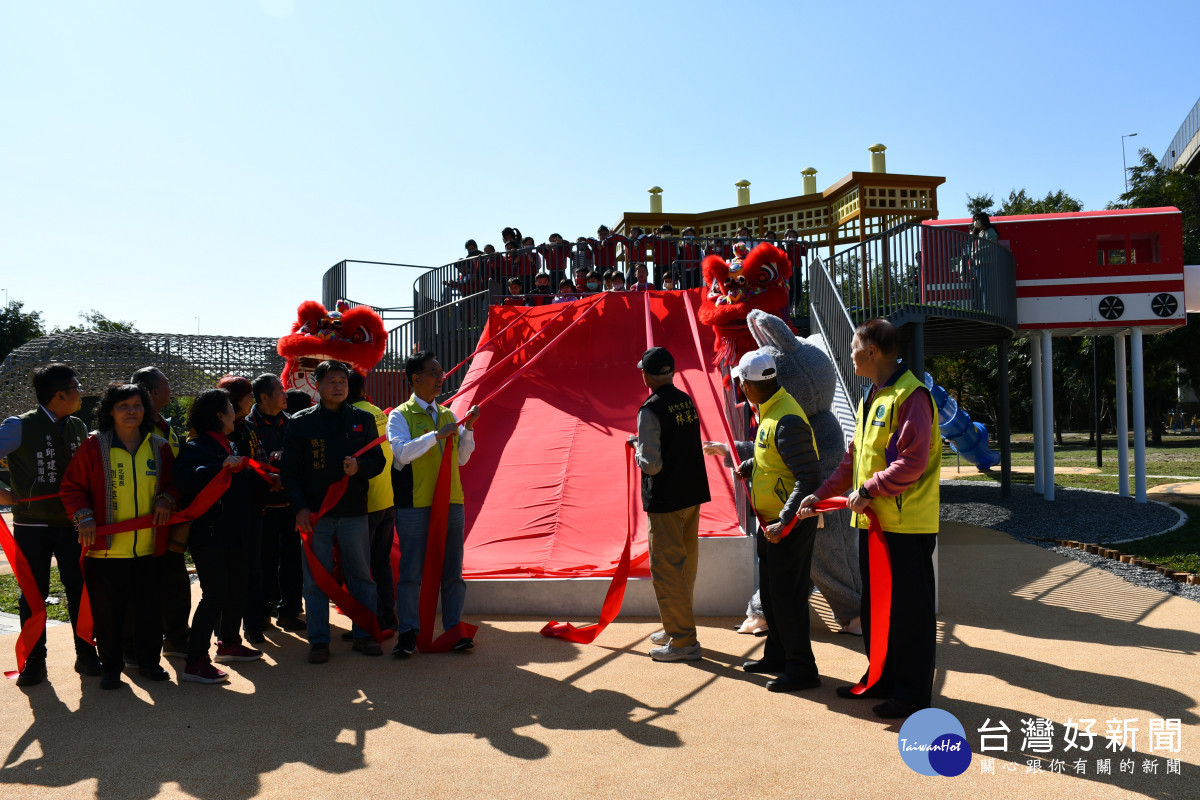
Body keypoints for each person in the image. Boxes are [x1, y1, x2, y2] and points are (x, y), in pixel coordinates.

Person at [799, 318, 941, 719]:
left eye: (854, 347)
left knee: (910, 613)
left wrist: (869, 490)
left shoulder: (911, 396)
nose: (850, 354)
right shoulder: (872, 397)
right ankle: (881, 677)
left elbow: (911, 463)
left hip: (905, 526)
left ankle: (911, 694)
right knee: (879, 608)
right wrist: (822, 493)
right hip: (876, 524)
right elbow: (852, 461)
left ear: (873, 352)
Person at [703, 350, 823, 692]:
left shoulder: (786, 418)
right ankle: (778, 655)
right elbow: (774, 459)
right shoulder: (772, 411)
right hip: (772, 522)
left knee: (788, 597)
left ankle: (802, 669)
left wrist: (784, 521)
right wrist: (751, 466)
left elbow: (809, 476)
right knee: (772, 595)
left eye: (740, 383)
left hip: (787, 525)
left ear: (746, 384)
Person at [60, 383, 178, 690]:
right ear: (109, 411)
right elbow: (71, 488)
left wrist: (166, 497)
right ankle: (111, 667)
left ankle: (150, 663)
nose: (132, 411)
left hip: (149, 548)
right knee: (108, 613)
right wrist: (83, 516)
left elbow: (172, 484)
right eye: (123, 406)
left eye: (138, 405)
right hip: (106, 551)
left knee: (150, 610)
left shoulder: (158, 446)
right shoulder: (93, 445)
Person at [0, 364, 101, 685]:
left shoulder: (78, 426)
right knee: (33, 593)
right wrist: (2, 492)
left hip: (75, 524)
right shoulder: (18, 426)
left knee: (80, 590)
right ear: (60, 394)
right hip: (33, 526)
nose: (81, 390)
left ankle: (86, 655)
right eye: (76, 386)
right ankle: (34, 662)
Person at [279, 360, 386, 663]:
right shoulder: (300, 422)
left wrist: (360, 467)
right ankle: (319, 640)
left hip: (353, 511)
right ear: (318, 385)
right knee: (315, 580)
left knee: (361, 577)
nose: (338, 386)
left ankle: (364, 634)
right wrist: (299, 508)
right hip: (315, 514)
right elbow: (290, 471)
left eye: (343, 381)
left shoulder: (362, 419)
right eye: (332, 381)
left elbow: (378, 461)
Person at [386, 351, 480, 658]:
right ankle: (408, 634)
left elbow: (463, 458)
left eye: (441, 373)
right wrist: (435, 435)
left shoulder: (449, 414)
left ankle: (454, 630)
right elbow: (401, 453)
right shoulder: (400, 415)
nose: (441, 378)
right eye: (434, 373)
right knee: (412, 572)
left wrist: (470, 429)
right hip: (414, 503)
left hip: (451, 500)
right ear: (416, 378)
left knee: (453, 571)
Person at [627, 347, 710, 663]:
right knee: (685, 565)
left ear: (647, 376)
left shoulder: (651, 408)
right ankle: (675, 626)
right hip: (691, 494)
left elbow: (651, 464)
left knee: (666, 569)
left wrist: (636, 449)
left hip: (666, 500)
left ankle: (684, 640)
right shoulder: (685, 400)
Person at [173, 389, 262, 684]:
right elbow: (186, 479)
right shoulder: (196, 445)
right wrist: (218, 467)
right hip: (209, 533)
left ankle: (229, 642)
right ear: (218, 416)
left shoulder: (230, 441)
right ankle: (195, 660)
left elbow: (240, 479)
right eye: (230, 409)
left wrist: (266, 479)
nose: (235, 414)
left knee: (237, 586)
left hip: (236, 529)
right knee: (214, 594)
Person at [130, 367, 190, 661]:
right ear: (154, 393)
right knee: (142, 586)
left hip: (170, 519)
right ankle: (137, 647)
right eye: (167, 383)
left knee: (175, 581)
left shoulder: (166, 426)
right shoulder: (134, 430)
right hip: (139, 523)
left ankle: (177, 638)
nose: (171, 386)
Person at [243, 373, 305, 632]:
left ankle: (289, 611)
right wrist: (267, 478)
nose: (285, 395)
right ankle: (262, 612)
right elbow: (244, 465)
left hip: (290, 504)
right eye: (280, 390)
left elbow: (302, 459)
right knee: (261, 562)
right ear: (264, 397)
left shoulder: (293, 423)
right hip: (261, 507)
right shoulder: (246, 426)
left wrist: (285, 475)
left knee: (292, 560)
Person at [217, 374, 266, 643]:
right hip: (227, 512)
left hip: (253, 508)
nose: (252, 400)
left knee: (253, 569)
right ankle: (224, 630)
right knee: (228, 573)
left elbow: (258, 460)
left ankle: (254, 624)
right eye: (248, 395)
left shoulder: (248, 427)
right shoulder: (217, 432)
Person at [348, 370, 397, 632]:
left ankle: (371, 621)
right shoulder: (379, 412)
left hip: (366, 503)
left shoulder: (352, 418)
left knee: (361, 569)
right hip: (388, 498)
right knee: (382, 563)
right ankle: (388, 616)